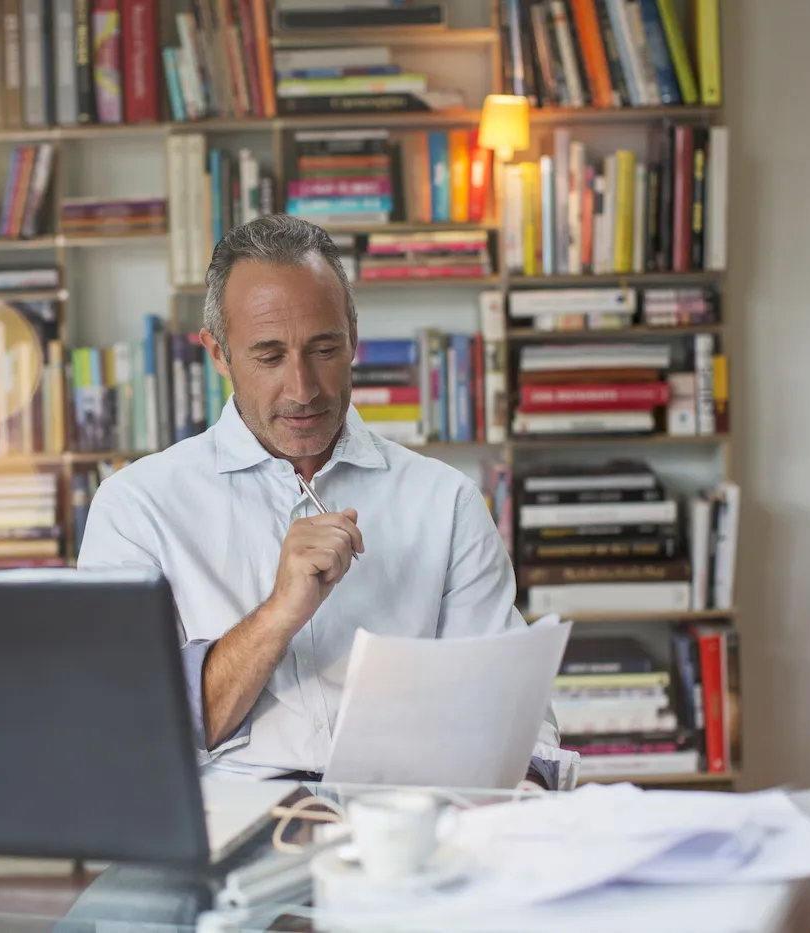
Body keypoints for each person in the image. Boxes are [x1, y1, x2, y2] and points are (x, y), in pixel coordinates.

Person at [78, 214, 572, 789]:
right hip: (225, 829)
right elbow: (129, 732)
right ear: (218, 355)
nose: (303, 389)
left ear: (354, 338)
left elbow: (514, 720)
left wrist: (519, 797)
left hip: (407, 824)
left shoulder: (448, 503)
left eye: (324, 348)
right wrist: (279, 613)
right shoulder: (135, 508)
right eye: (268, 356)